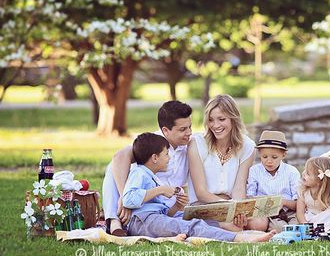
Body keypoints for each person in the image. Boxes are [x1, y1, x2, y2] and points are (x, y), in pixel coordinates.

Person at [123, 132, 276, 243]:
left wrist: (177, 206)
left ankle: (232, 231)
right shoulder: (139, 172)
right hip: (142, 222)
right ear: (155, 158)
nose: (169, 158)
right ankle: (239, 238)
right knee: (191, 226)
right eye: (166, 154)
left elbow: (161, 213)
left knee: (200, 220)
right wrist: (162, 189)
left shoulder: (151, 176)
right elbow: (129, 199)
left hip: (154, 219)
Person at [102, 100, 192, 236]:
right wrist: (124, 197)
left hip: (165, 204)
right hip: (142, 199)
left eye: (190, 127)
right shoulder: (154, 142)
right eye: (183, 129)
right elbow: (120, 156)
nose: (189, 133)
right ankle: (113, 220)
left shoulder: (189, 144)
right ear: (166, 131)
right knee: (113, 167)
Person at [187, 94, 256, 230]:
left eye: (221, 119)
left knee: (257, 222)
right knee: (233, 226)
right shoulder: (197, 143)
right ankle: (241, 235)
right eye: (211, 120)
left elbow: (239, 186)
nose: (215, 125)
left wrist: (238, 210)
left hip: (230, 203)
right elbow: (201, 192)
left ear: (233, 118)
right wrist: (230, 206)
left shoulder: (247, 145)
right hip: (202, 205)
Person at [246, 130, 300, 232]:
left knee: (297, 226)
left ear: (283, 155)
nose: (269, 161)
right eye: (264, 157)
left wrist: (282, 202)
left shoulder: (292, 172)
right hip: (268, 213)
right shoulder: (254, 171)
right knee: (279, 228)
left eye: (274, 157)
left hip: (290, 211)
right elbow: (250, 197)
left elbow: (298, 203)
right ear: (259, 154)